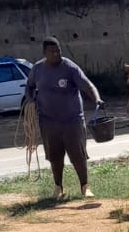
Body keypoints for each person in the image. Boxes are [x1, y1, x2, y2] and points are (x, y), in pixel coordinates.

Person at [24, 37, 100, 200]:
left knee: (78, 156)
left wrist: (97, 98)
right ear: (44, 53)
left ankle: (85, 186)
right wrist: (30, 100)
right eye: (51, 51)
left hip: (72, 120)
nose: (55, 54)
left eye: (58, 51)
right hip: (48, 121)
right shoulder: (37, 69)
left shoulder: (70, 67)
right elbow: (29, 87)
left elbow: (87, 85)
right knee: (55, 156)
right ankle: (58, 187)